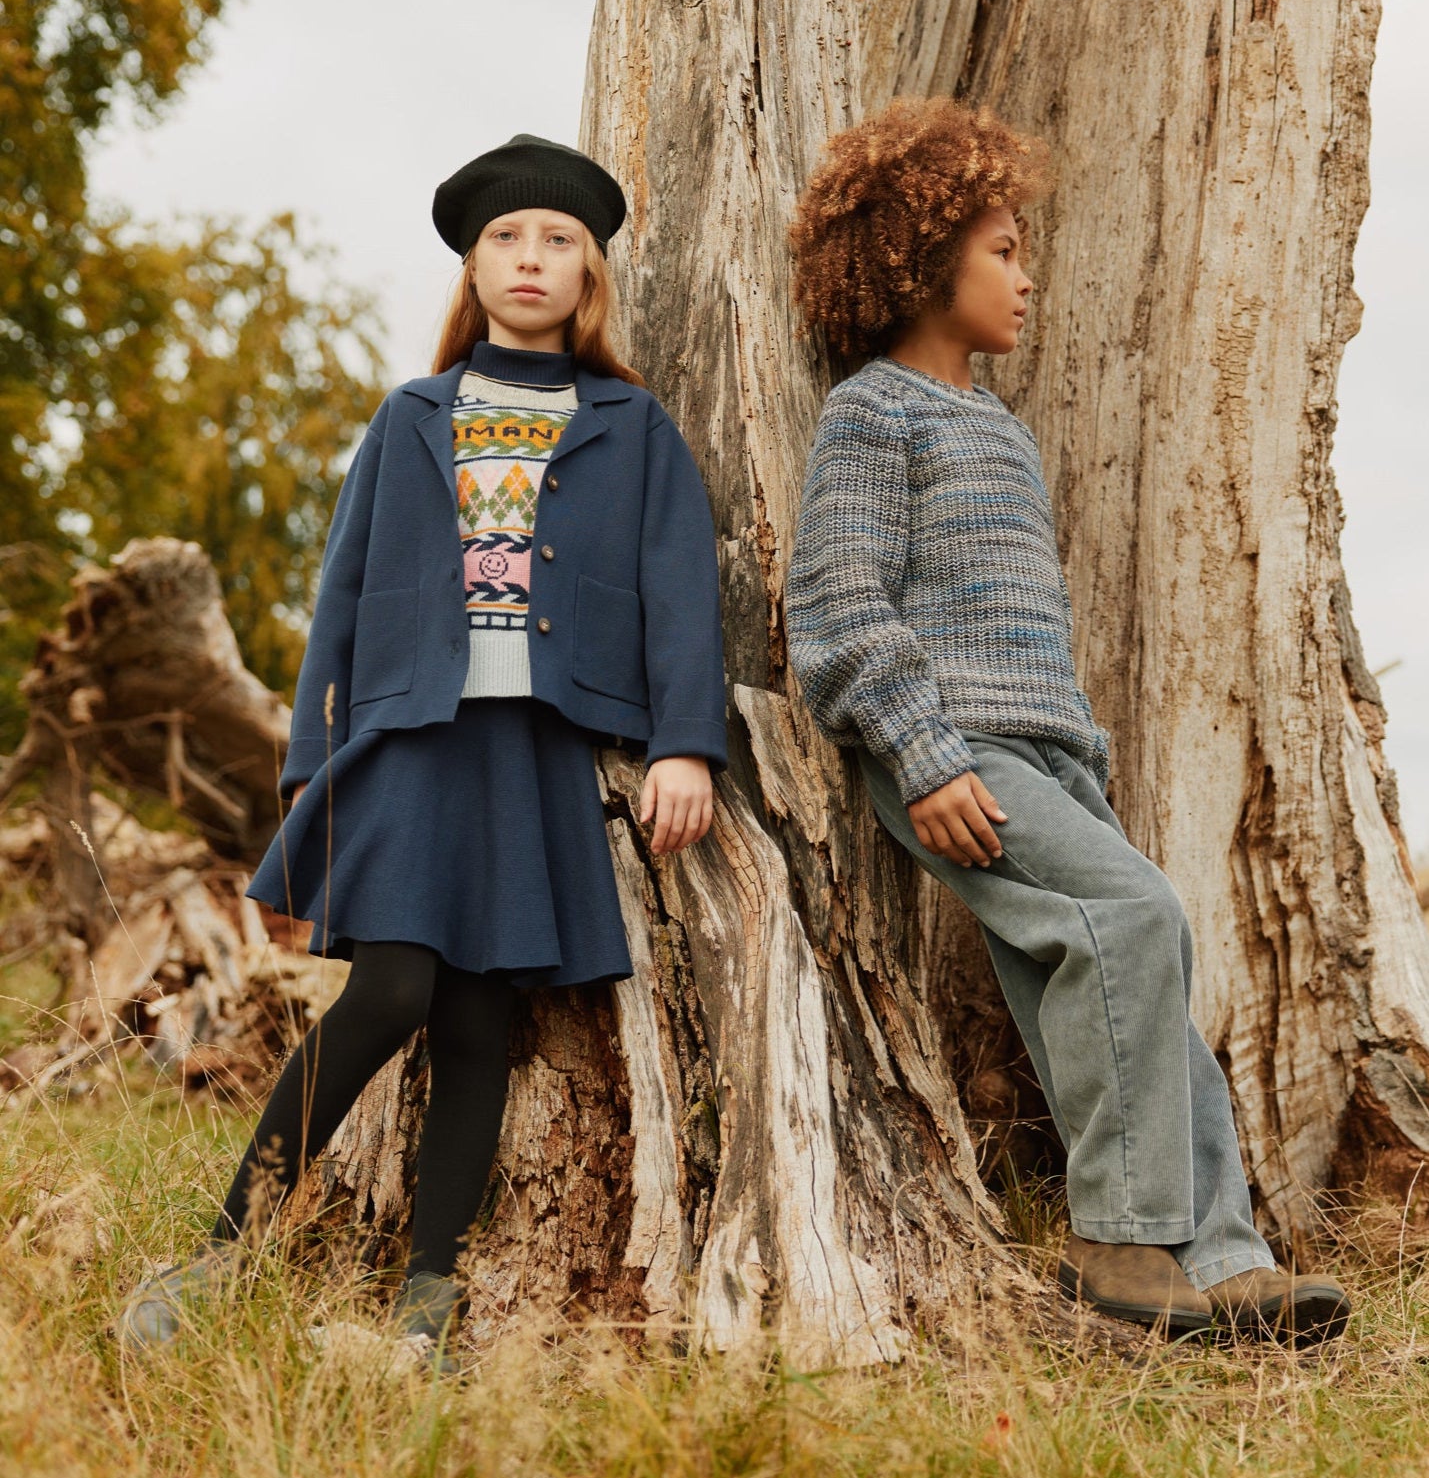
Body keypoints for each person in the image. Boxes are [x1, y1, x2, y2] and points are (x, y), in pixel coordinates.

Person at [121, 133, 727, 1363]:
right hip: (409, 743)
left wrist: (686, 745)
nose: (531, 257)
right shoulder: (412, 418)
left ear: (589, 274)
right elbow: (341, 592)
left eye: (559, 239)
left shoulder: (635, 424)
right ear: (473, 265)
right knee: (390, 988)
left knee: (475, 1025)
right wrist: (310, 767)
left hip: (539, 756)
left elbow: (681, 593)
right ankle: (225, 1249)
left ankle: (429, 1300)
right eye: (507, 237)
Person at [783, 97, 1349, 1342]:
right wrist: (923, 754)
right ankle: (1117, 1240)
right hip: (954, 752)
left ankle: (1219, 1255)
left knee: (1129, 965)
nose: (1024, 276)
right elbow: (833, 600)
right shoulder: (872, 412)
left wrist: (1077, 757)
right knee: (1132, 917)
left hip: (1047, 755)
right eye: (1002, 250)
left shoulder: (994, 426)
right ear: (922, 257)